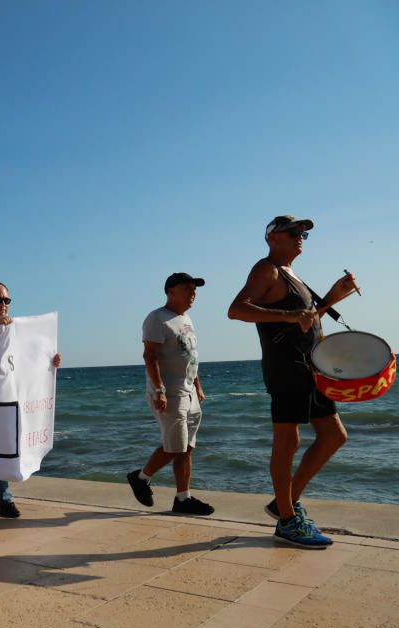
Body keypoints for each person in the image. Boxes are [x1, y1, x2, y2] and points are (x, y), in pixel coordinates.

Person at [228, 215, 358, 549]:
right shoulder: (266, 269)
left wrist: (331, 297)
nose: (300, 236)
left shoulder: (291, 274)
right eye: (293, 232)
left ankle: (283, 503)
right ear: (273, 238)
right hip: (286, 369)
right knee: (288, 443)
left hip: (311, 369)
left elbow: (308, 320)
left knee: (333, 436)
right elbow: (237, 310)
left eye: (303, 233)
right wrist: (288, 316)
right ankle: (287, 520)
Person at [0, 281, 62, 518]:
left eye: (7, 300)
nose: (3, 305)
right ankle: (4, 499)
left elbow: (25, 357)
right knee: (1, 448)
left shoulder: (13, 326)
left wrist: (48, 361)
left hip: (9, 397)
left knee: (7, 446)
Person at [126, 273, 214, 516]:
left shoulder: (186, 319)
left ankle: (183, 498)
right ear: (170, 291)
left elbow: (190, 356)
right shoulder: (157, 318)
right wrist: (159, 389)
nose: (192, 293)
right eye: (187, 289)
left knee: (186, 447)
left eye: (194, 289)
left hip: (189, 391)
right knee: (175, 446)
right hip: (170, 391)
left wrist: (198, 385)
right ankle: (141, 477)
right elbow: (150, 356)